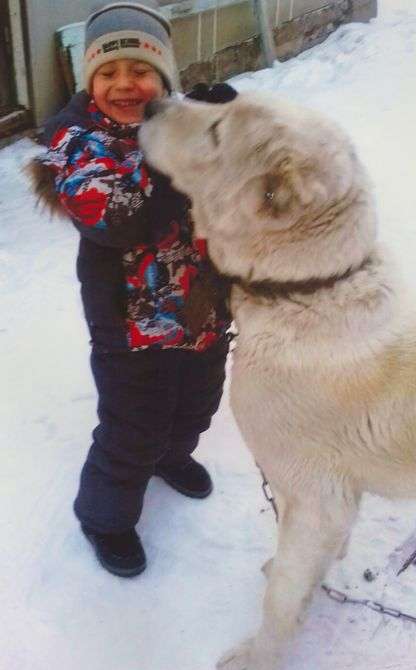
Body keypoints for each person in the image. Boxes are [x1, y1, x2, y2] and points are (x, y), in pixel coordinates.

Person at [34, 2, 237, 577]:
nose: (125, 84)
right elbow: (122, 218)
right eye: (108, 72)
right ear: (89, 82)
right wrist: (186, 151)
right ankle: (106, 517)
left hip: (202, 307)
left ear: (164, 78)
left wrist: (227, 130)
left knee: (198, 402)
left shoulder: (183, 125)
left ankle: (173, 456)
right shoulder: (74, 142)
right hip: (129, 324)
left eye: (141, 70)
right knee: (132, 426)